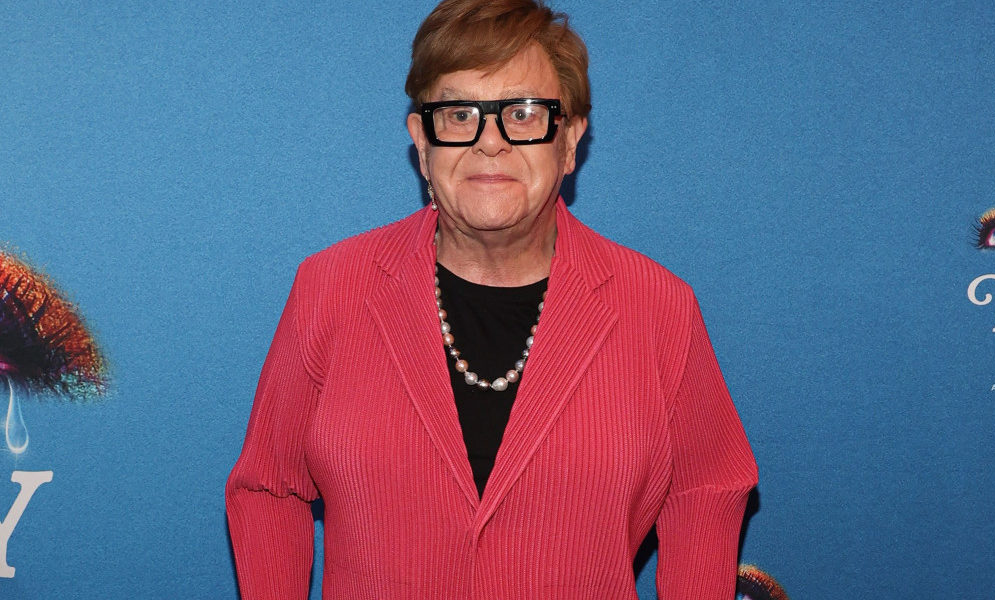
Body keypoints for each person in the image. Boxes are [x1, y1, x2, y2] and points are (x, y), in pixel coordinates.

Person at [225, 1, 758, 598]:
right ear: (421, 140)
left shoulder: (659, 307)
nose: (490, 142)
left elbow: (707, 488)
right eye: (459, 114)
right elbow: (267, 487)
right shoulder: (331, 288)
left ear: (570, 139)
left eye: (523, 113)